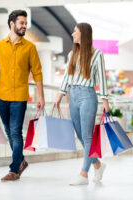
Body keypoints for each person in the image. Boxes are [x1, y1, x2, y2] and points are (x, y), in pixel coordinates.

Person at [0, 10, 45, 182]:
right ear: (12, 24)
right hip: (1, 96)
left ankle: (14, 170)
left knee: (16, 132)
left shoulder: (30, 48)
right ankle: (21, 161)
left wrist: (41, 97)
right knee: (9, 132)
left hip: (19, 97)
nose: (24, 26)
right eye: (22, 23)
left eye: (25, 23)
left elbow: (38, 73)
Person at [54, 23, 109, 186]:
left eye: (75, 32)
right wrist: (59, 95)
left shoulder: (97, 54)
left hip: (88, 96)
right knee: (80, 135)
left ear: (83, 34)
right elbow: (67, 77)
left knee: (87, 136)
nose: (72, 34)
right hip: (73, 95)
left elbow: (102, 79)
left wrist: (105, 100)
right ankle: (98, 165)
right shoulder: (72, 53)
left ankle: (84, 174)